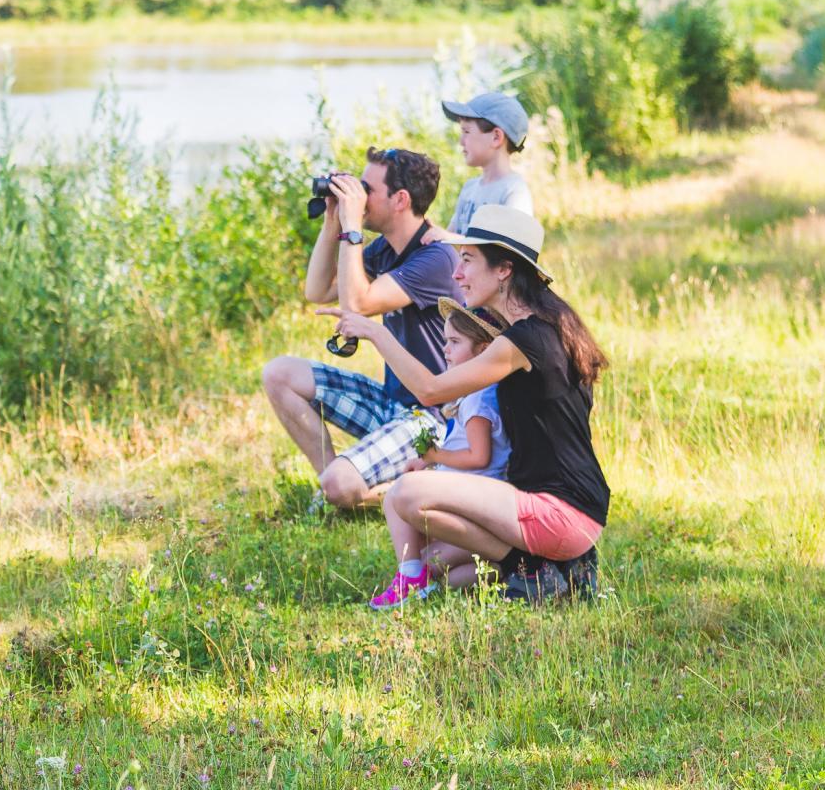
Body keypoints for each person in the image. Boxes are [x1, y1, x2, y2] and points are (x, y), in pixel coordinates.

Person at [320, 204, 610, 606]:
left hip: (557, 511)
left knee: (405, 493)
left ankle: (531, 569)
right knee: (443, 566)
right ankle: (548, 569)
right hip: (576, 509)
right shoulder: (548, 324)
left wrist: (374, 331)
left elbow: (430, 391)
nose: (456, 275)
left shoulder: (523, 341)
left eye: (468, 261)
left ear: (504, 269)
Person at [260, 147, 460, 511]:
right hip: (392, 402)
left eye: (367, 188)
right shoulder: (385, 249)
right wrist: (333, 223)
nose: (359, 196)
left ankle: (411, 484)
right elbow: (317, 291)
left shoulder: (436, 257)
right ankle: (333, 488)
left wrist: (353, 229)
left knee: (341, 484)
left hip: (432, 418)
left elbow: (359, 304)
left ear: (400, 200)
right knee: (279, 374)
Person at [371, 298, 511, 607]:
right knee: (440, 573)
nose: (445, 348)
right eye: (445, 340)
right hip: (473, 497)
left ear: (484, 350)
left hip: (476, 500)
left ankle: (410, 575)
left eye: (454, 342)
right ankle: (487, 573)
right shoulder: (479, 393)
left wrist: (435, 457)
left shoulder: (478, 400)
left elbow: (478, 457)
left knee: (397, 499)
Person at [439, 92, 534, 237]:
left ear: (496, 137)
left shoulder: (514, 191)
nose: (461, 141)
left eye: (466, 131)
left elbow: (508, 251)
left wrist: (443, 236)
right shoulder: (469, 188)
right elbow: (449, 244)